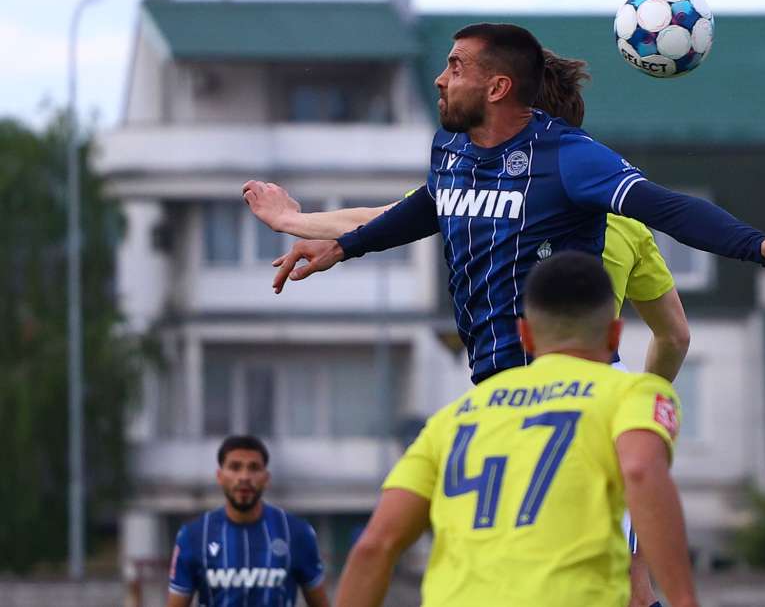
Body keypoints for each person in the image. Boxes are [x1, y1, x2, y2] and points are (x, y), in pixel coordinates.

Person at [244, 49, 686, 607]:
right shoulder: (622, 219)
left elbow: (387, 216)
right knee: (622, 579)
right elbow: (675, 337)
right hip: (592, 402)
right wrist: (641, 403)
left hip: (499, 405)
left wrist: (293, 220)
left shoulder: (483, 200)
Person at [262, 23, 765, 386]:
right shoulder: (450, 149)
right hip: (493, 383)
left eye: (455, 67)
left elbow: (663, 207)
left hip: (571, 383)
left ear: (497, 88)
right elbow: (426, 207)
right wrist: (343, 246)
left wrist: (757, 247)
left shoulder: (568, 156)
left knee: (593, 552)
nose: (439, 79)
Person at [333, 252, 700, 607]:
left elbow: (375, 545)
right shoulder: (634, 395)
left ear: (525, 334)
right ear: (615, 334)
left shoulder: (455, 417)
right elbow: (640, 470)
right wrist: (684, 600)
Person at [166, 435, 329, 607]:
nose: (244, 476)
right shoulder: (193, 535)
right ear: (220, 476)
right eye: (235, 467)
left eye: (254, 468)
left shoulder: (297, 533)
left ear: (266, 478)